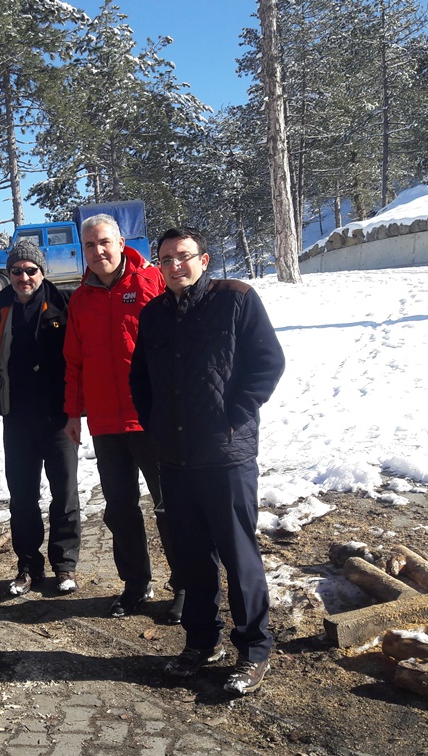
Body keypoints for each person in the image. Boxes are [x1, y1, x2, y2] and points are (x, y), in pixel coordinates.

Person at [129, 226, 285, 696]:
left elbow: (267, 363)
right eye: (166, 259)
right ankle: (201, 641)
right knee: (193, 558)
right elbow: (141, 378)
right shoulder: (155, 313)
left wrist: (234, 418)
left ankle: (254, 649)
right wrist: (153, 424)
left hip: (226, 456)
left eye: (184, 256)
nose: (175, 266)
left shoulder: (236, 299)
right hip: (175, 457)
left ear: (204, 259)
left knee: (239, 556)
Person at [63, 213, 182, 621]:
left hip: (151, 417)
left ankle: (184, 584)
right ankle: (136, 584)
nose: (98, 252)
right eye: (90, 246)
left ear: (120, 242)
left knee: (170, 505)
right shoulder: (81, 298)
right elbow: (74, 360)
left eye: (104, 243)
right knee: (119, 508)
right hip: (105, 422)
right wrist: (73, 413)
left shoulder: (151, 282)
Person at [0, 240, 81, 596]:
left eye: (31, 270)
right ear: (9, 274)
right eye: (17, 270)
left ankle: (64, 566)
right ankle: (28, 566)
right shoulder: (1, 308)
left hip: (58, 417)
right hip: (18, 419)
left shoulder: (64, 303)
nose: (24, 276)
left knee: (65, 493)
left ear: (42, 272)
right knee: (23, 497)